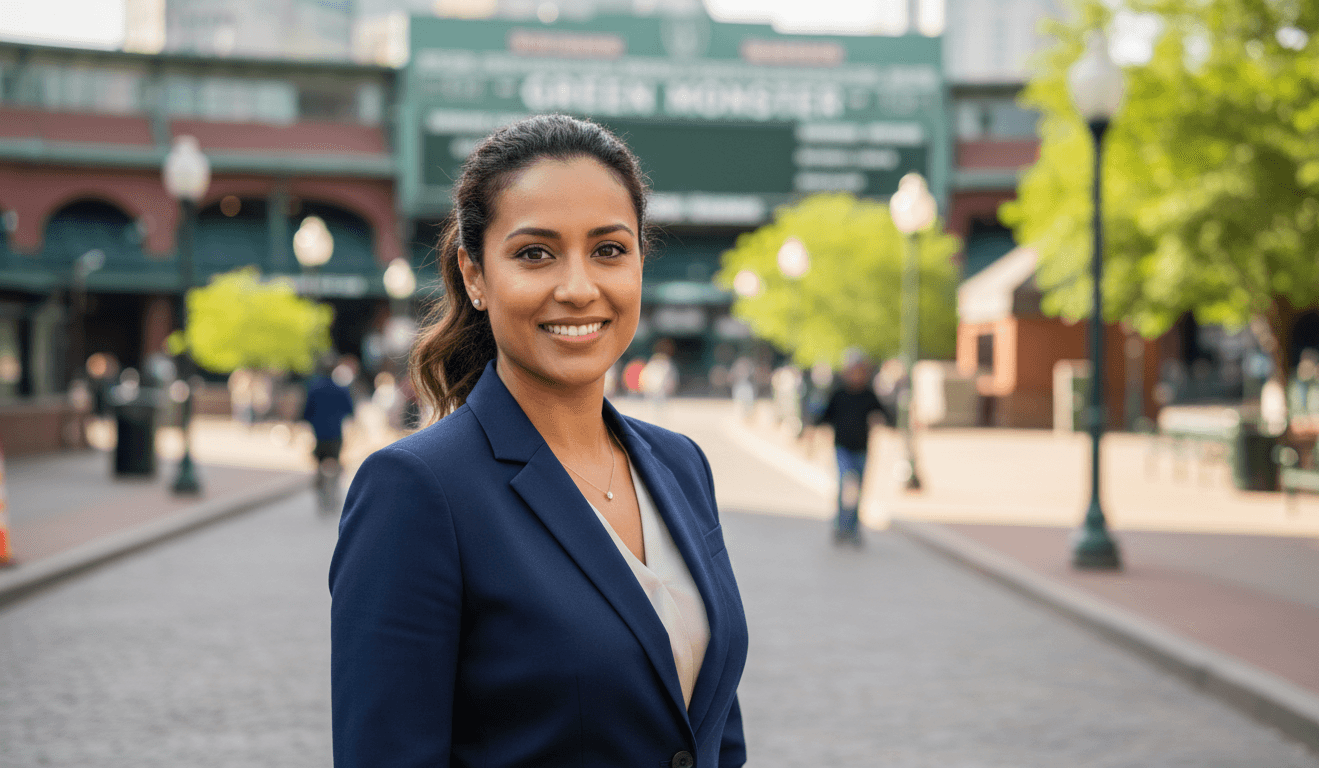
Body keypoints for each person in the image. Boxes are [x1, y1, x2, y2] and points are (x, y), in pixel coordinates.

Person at [329, 114, 749, 768]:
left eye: (609, 250)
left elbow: (715, 731)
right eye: (535, 253)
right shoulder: (417, 492)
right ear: (475, 275)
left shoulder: (681, 465)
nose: (579, 288)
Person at [818, 352, 893, 545]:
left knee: (858, 488)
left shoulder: (868, 395)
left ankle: (853, 527)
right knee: (845, 485)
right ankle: (840, 525)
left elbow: (883, 414)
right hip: (842, 448)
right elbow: (825, 417)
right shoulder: (839, 394)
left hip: (861, 448)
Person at [302, 356, 356, 511]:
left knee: (319, 464)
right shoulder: (340, 389)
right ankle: (333, 492)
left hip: (318, 433)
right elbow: (349, 410)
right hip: (334, 433)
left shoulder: (314, 388)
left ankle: (322, 494)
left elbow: (306, 412)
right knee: (335, 463)